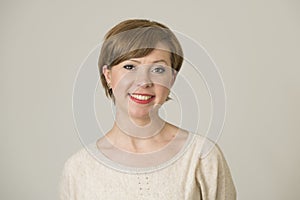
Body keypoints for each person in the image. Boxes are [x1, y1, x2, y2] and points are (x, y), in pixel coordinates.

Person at [59, 19, 236, 200]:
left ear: (172, 79)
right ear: (108, 75)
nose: (144, 81)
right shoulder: (78, 169)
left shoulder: (202, 156)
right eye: (130, 67)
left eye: (158, 69)